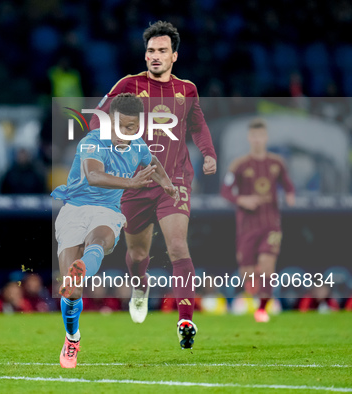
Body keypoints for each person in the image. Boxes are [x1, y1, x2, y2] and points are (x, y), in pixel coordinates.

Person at [90, 21, 217, 349]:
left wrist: (208, 154)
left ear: (174, 55)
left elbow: (198, 125)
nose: (155, 56)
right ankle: (139, 286)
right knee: (137, 255)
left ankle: (185, 319)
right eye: (150, 51)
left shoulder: (186, 90)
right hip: (136, 182)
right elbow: (96, 119)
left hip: (173, 179)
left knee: (177, 246)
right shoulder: (128, 85)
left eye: (162, 51)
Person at [53, 93, 179, 368]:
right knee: (71, 292)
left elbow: (153, 164)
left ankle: (82, 268)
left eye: (133, 127)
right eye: (122, 126)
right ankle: (72, 338)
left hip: (107, 212)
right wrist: (132, 185)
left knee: (100, 238)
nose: (127, 132)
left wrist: (167, 185)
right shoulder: (92, 142)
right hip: (74, 209)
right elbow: (94, 176)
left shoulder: (138, 145)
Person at [221, 118, 295, 322]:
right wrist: (242, 199)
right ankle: (251, 299)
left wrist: (290, 195)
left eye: (260, 135)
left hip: (271, 224)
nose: (257, 139)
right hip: (246, 227)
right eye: (254, 136)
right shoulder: (239, 164)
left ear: (266, 137)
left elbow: (288, 184)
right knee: (247, 273)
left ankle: (262, 309)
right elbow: (225, 191)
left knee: (267, 264)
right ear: (249, 138)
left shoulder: (277, 163)